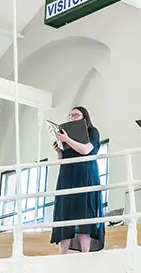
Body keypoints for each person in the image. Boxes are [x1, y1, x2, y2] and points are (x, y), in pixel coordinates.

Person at [51, 106, 104, 253]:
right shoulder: (66, 136)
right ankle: (63, 254)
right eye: (71, 115)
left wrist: (67, 139)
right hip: (67, 175)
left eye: (76, 115)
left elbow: (86, 150)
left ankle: (85, 253)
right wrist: (59, 151)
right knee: (65, 212)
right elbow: (62, 161)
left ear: (84, 117)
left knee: (84, 212)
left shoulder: (92, 131)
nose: (73, 117)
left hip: (84, 173)